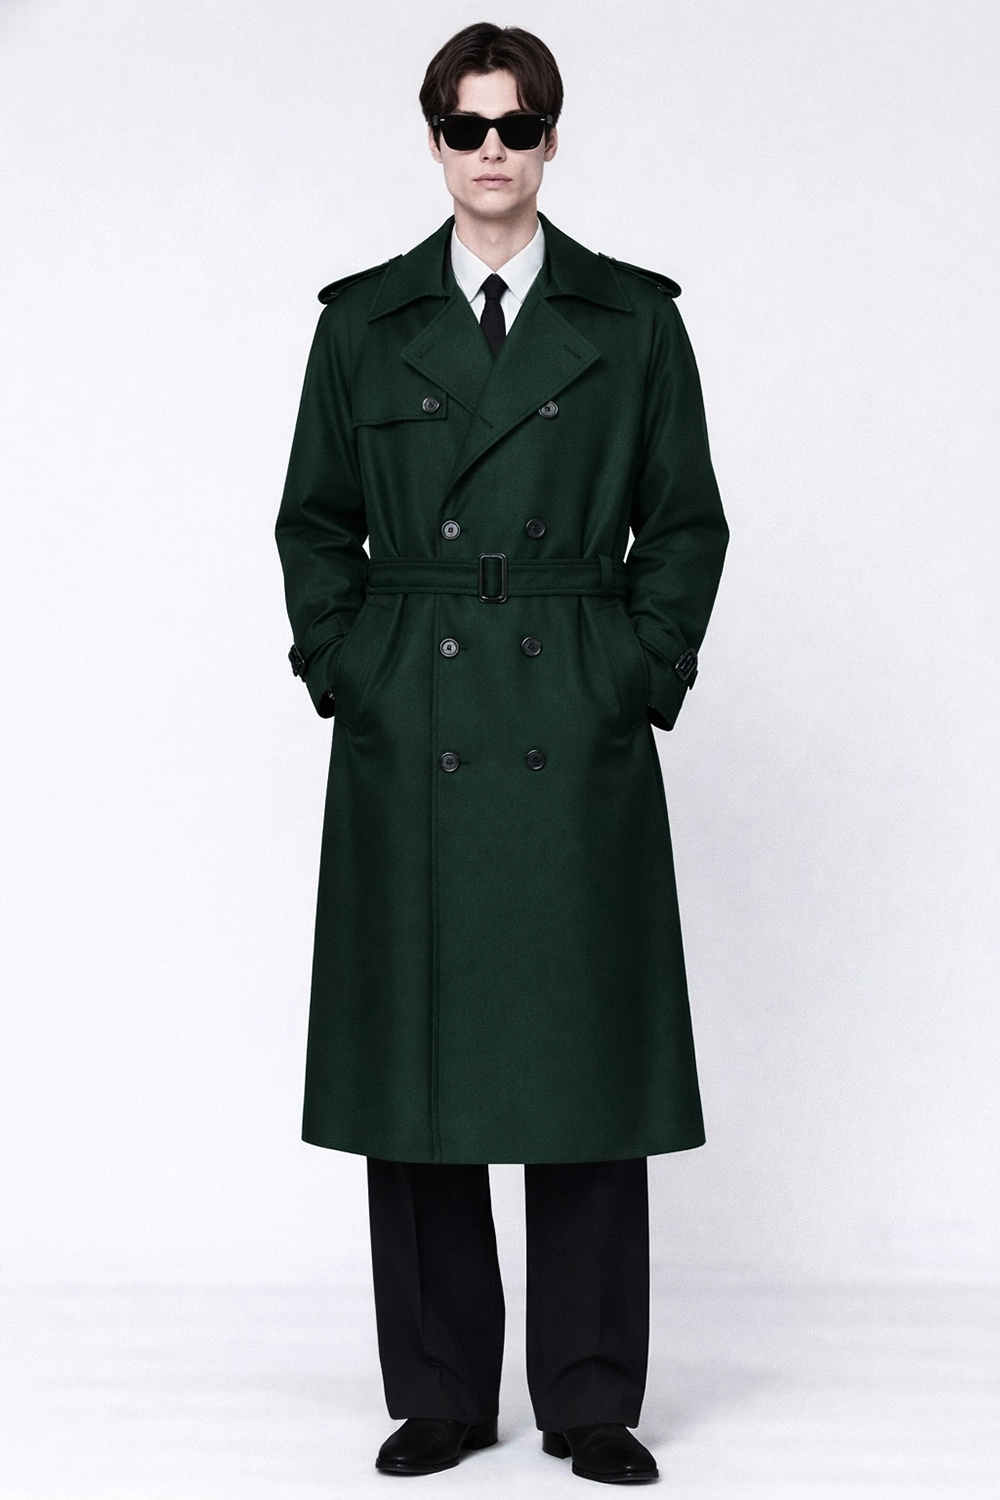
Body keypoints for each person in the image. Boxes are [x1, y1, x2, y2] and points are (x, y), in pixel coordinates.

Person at [274, 21, 728, 1485]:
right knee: (419, 1071)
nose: (492, 151)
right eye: (467, 126)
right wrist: (353, 670)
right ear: (433, 141)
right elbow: (312, 522)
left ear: (551, 140)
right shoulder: (363, 322)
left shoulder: (632, 320)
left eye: (517, 126)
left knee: (581, 1060)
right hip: (417, 721)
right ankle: (443, 1393)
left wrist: (631, 672)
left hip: (569, 717)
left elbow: (686, 522)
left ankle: (591, 1397)